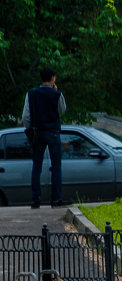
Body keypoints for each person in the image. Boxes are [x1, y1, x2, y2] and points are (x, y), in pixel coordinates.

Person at [21, 67, 65, 208]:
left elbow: (25, 116)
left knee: (37, 166)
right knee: (56, 166)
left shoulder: (31, 93)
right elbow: (62, 110)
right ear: (52, 78)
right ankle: (56, 199)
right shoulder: (56, 93)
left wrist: (30, 129)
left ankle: (35, 199)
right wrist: (56, 91)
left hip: (37, 132)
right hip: (53, 131)